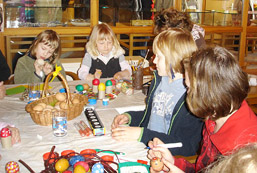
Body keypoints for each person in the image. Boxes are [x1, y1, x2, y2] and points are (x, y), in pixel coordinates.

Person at [147, 46, 257, 173]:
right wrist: (173, 162)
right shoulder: (213, 118)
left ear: (206, 94)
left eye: (188, 88)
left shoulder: (245, 148)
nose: (186, 94)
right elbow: (201, 169)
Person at [111, 28, 203, 157]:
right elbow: (155, 114)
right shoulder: (160, 81)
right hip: (147, 145)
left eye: (159, 57)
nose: (153, 61)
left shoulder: (192, 96)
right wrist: (130, 117)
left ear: (174, 58)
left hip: (169, 156)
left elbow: (187, 144)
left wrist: (141, 134)